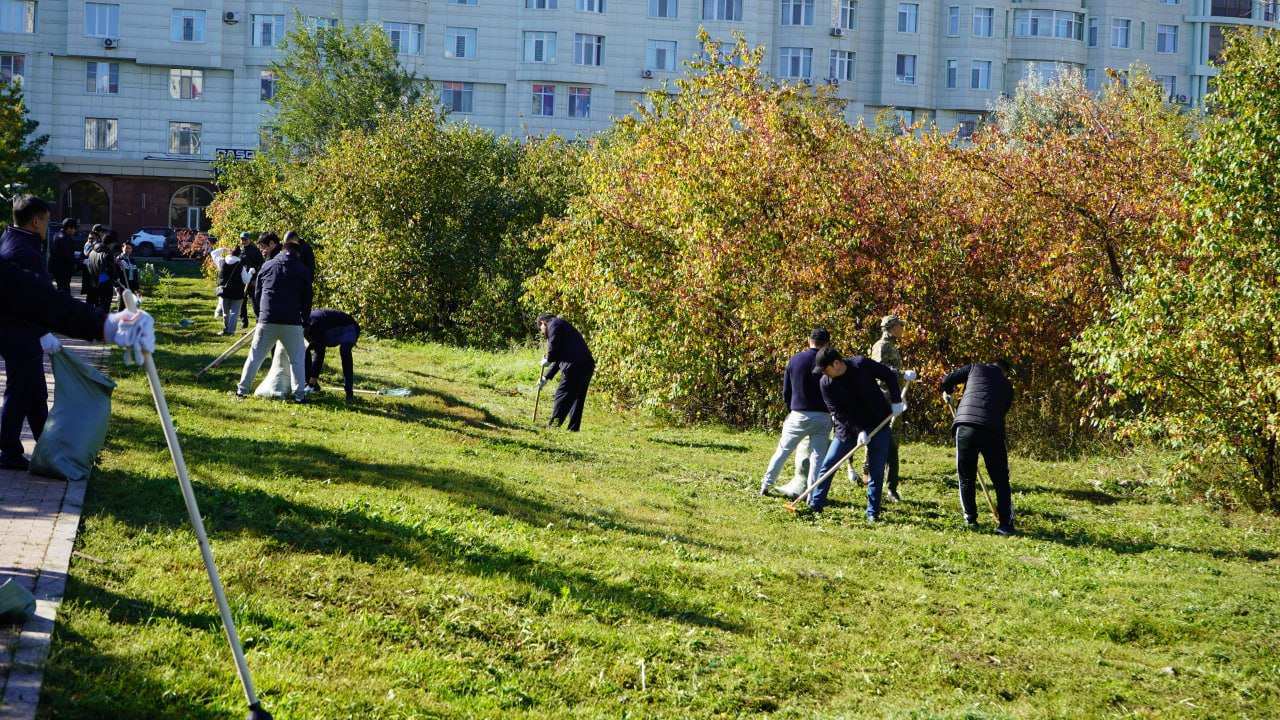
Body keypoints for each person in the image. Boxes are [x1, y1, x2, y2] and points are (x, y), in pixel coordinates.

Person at [809, 347, 905, 519]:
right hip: (847, 428)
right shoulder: (826, 383)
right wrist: (859, 431)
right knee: (829, 464)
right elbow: (838, 413)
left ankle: (872, 513)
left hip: (878, 423)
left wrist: (896, 401)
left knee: (876, 470)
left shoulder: (861, 365)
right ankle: (815, 505)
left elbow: (888, 375)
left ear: (836, 363)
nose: (824, 373)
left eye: (825, 369)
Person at [0, 195, 60, 470]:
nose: (47, 227)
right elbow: (32, 299)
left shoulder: (13, 239)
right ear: (36, 221)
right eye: (46, 221)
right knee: (19, 392)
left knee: (35, 392)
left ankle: (45, 446)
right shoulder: (25, 251)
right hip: (20, 333)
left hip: (18, 331)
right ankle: (10, 451)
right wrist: (42, 331)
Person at [940, 360, 1016, 535]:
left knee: (966, 477)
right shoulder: (1007, 386)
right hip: (992, 430)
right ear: (1004, 372)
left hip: (965, 426)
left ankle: (971, 519)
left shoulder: (975, 368)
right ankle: (1005, 524)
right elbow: (1002, 411)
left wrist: (948, 391)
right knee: (1000, 479)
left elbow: (947, 379)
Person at [235, 233, 313, 402]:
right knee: (297, 361)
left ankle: (242, 391)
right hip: (292, 321)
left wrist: (259, 315)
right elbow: (307, 299)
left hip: (267, 319)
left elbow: (257, 292)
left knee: (255, 357)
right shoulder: (302, 269)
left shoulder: (268, 265)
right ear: (297, 253)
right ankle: (299, 395)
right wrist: (305, 320)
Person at [759, 328, 833, 498]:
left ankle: (766, 484)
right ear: (827, 343)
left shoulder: (796, 359)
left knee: (783, 451)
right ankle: (812, 494)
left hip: (799, 413)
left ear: (809, 340)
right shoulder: (829, 362)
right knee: (817, 458)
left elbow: (787, 391)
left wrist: (790, 409)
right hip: (822, 415)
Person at [856, 315, 910, 501]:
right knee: (884, 440)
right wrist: (903, 374)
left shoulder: (892, 345)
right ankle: (870, 473)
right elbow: (879, 371)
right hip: (883, 401)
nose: (902, 329)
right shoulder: (881, 346)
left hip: (894, 399)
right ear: (891, 327)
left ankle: (889, 485)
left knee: (893, 442)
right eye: (899, 326)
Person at [537, 313, 595, 432]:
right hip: (587, 365)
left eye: (541, 329)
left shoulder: (554, 324)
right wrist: (546, 377)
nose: (542, 332)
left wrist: (548, 358)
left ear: (543, 322)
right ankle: (573, 429)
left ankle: (553, 426)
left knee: (562, 395)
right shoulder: (563, 327)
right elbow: (559, 357)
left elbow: (553, 349)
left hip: (575, 366)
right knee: (577, 397)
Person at [304, 309, 360, 402]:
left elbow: (319, 354)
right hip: (330, 329)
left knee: (345, 352)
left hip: (349, 327)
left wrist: (312, 380)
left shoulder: (314, 324)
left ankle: (349, 393)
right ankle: (312, 385)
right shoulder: (304, 324)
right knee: (305, 350)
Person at [210, 245, 254, 335]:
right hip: (237, 292)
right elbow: (246, 280)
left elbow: (213, 253)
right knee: (234, 312)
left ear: (230, 252)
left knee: (225, 313)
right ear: (239, 255)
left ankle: (226, 329)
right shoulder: (241, 266)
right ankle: (231, 331)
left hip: (224, 292)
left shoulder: (221, 262)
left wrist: (224, 249)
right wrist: (251, 272)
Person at [84, 233, 120, 314]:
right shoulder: (107, 254)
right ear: (111, 243)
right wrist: (114, 279)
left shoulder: (92, 251)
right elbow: (108, 272)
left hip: (93, 284)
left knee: (92, 310)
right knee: (103, 310)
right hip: (104, 287)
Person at [238, 232, 264, 330]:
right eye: (242, 239)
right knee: (242, 302)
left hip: (252, 280)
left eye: (245, 239)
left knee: (254, 301)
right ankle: (244, 322)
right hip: (242, 280)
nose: (243, 241)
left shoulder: (255, 251)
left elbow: (261, 265)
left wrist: (255, 278)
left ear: (249, 239)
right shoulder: (240, 250)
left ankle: (259, 321)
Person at [49, 218, 80, 295]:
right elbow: (68, 256)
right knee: (65, 290)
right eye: (74, 228)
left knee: (61, 288)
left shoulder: (56, 235)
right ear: (69, 228)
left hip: (56, 268)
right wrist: (80, 261)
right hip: (64, 269)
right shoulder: (65, 239)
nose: (74, 231)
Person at [116, 241, 140, 310]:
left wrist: (137, 287)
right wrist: (117, 286)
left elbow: (135, 274)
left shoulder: (132, 260)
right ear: (122, 248)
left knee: (131, 305)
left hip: (132, 284)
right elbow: (115, 273)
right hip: (122, 285)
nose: (128, 250)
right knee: (122, 305)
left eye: (130, 248)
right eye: (126, 248)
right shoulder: (118, 259)